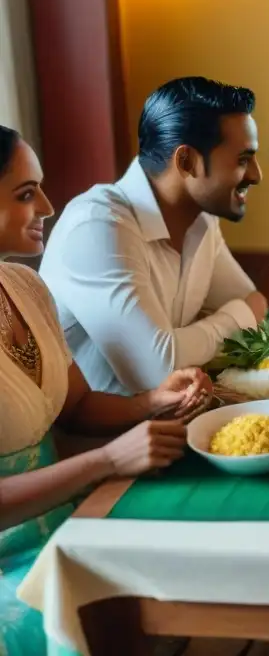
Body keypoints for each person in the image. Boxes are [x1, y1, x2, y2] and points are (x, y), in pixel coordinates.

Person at [0, 125, 210, 655]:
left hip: (71, 520)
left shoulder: (24, 287)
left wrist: (153, 402)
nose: (48, 205)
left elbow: (75, 407)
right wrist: (110, 461)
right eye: (26, 194)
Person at [39, 77, 269, 395]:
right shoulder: (97, 227)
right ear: (187, 161)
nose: (257, 174)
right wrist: (243, 316)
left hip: (173, 420)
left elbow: (247, 306)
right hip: (93, 438)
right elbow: (161, 373)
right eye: (243, 159)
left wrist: (240, 315)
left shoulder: (202, 219)